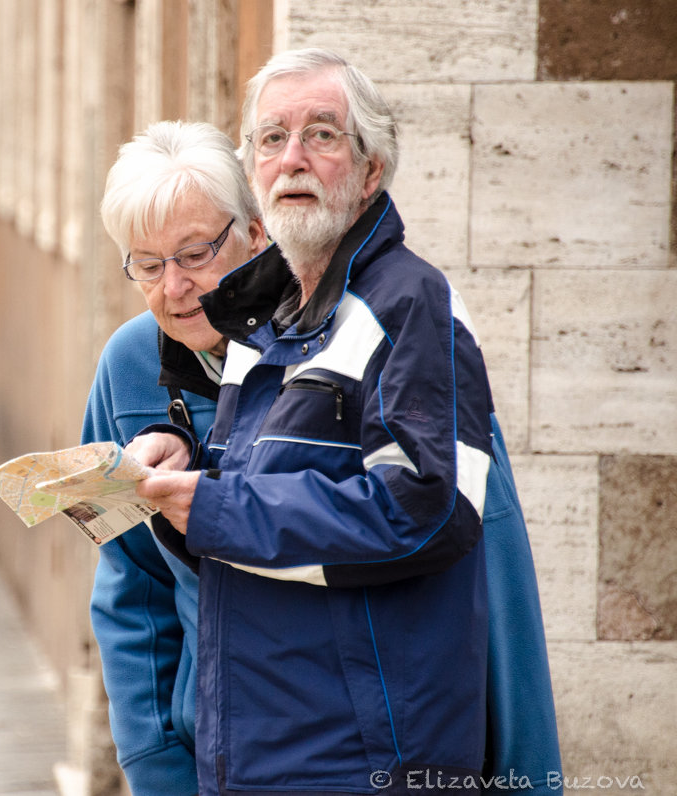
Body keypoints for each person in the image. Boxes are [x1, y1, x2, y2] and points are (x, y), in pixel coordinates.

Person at [126, 48, 503, 795]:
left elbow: (429, 511)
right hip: (257, 753)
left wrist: (217, 505)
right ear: (254, 176)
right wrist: (181, 478)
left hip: (363, 763)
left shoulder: (407, 305)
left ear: (371, 171)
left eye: (322, 135)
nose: (292, 158)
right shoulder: (266, 320)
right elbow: (265, 506)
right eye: (271, 139)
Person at [82, 120, 266, 796]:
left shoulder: (318, 350)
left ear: (254, 232)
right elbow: (126, 582)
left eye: (194, 255)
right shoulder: (126, 362)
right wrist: (153, 755)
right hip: (197, 744)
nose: (174, 288)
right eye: (148, 265)